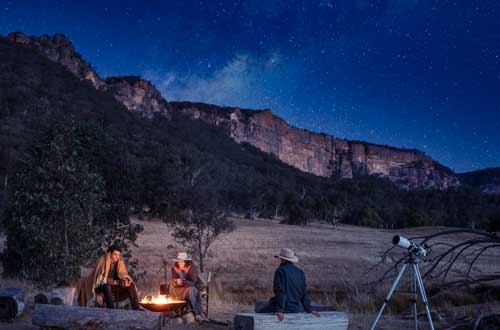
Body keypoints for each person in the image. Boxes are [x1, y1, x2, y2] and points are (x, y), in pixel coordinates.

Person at [256, 248, 320, 321]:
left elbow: (280, 291)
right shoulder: (300, 272)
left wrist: (279, 310)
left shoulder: (280, 271)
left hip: (284, 309)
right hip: (296, 308)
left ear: (283, 259)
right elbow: (304, 293)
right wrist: (309, 309)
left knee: (259, 311)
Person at [77, 245, 140, 310]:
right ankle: (111, 309)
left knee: (131, 285)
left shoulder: (120, 262)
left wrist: (125, 281)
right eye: (115, 254)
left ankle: (136, 308)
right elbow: (100, 279)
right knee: (107, 287)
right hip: (101, 285)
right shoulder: (101, 261)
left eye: (118, 255)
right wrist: (115, 282)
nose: (117, 257)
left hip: (115, 285)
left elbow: (123, 274)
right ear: (109, 253)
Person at [170, 252, 204, 321]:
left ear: (186, 261)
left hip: (194, 285)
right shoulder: (175, 268)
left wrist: (183, 282)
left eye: (182, 262)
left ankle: (196, 313)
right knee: (173, 290)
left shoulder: (192, 268)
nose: (180, 263)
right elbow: (174, 278)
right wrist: (176, 281)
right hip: (180, 287)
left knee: (191, 291)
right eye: (179, 261)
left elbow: (193, 282)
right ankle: (177, 311)